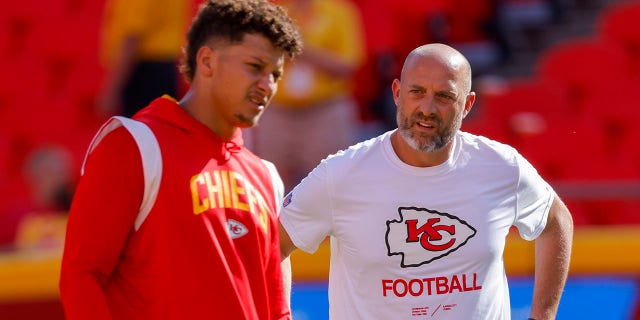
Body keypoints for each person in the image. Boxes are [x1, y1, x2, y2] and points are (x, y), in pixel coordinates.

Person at [279, 43, 573, 319]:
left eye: (444, 96)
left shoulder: (501, 167)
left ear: (468, 104)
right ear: (396, 93)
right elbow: (273, 246)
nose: (427, 109)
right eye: (417, 92)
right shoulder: (341, 175)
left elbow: (556, 221)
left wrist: (543, 316)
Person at [60, 1, 303, 319]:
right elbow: (81, 276)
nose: (268, 85)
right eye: (255, 67)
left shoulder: (267, 177)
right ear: (206, 61)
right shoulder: (133, 144)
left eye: (275, 74)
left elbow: (277, 309)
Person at [245, 0, 366, 192]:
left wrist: (302, 51)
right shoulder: (270, 12)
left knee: (330, 184)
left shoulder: (339, 11)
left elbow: (347, 65)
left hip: (324, 111)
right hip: (276, 110)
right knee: (272, 183)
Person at [95, 0, 188, 117]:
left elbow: (132, 37)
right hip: (166, 68)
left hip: (144, 73)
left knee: (140, 130)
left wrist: (112, 90)